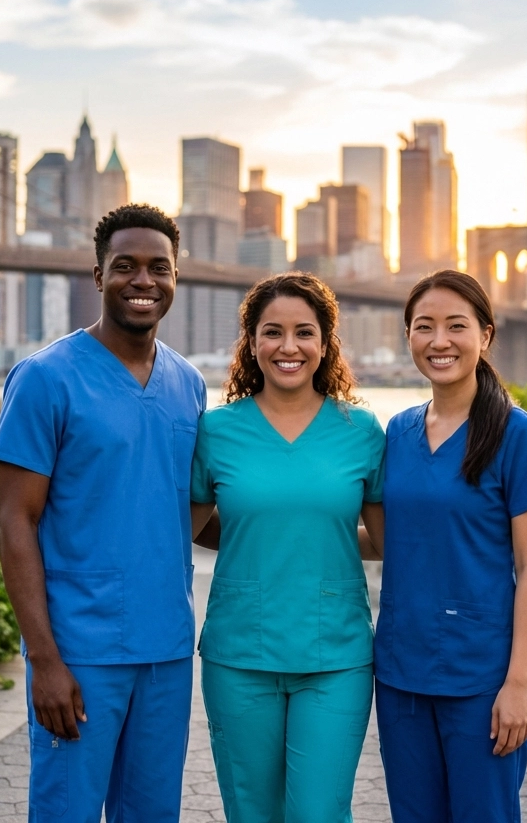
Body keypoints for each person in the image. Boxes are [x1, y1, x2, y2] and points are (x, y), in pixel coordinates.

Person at [0, 204, 206, 823]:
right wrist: (45, 661)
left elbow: (178, 511)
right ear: (97, 276)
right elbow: (14, 525)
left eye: (157, 267)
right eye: (125, 266)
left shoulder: (188, 384)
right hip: (79, 654)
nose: (143, 280)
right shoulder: (44, 379)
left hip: (166, 650)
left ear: (174, 278)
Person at [190, 272, 385, 823]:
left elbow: (391, 541)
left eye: (305, 333)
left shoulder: (362, 432)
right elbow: (186, 525)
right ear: (252, 342)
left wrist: (318, 542)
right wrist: (260, 542)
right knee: (252, 813)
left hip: (336, 658)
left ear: (325, 344)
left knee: (319, 814)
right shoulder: (216, 431)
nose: (289, 347)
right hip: (238, 657)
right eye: (272, 332)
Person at [368, 269, 527, 823]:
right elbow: (393, 541)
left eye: (456, 326)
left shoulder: (518, 435)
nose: (439, 341)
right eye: (423, 327)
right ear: (409, 338)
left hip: (482, 678)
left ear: (486, 335)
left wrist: (517, 683)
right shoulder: (397, 434)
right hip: (401, 671)